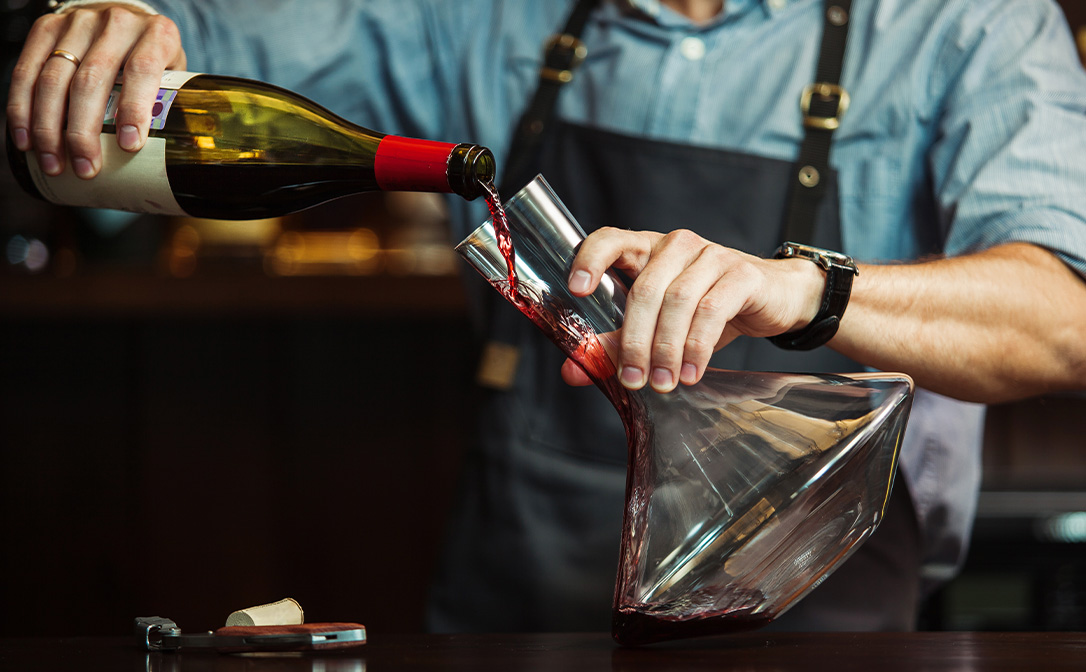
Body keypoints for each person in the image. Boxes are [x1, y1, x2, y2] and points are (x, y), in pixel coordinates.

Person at [8, 0, 1086, 632]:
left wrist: (809, 290)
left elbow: (1063, 324)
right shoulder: (495, 14)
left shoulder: (969, 23)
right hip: (511, 617)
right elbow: (216, 46)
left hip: (825, 629)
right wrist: (128, 25)